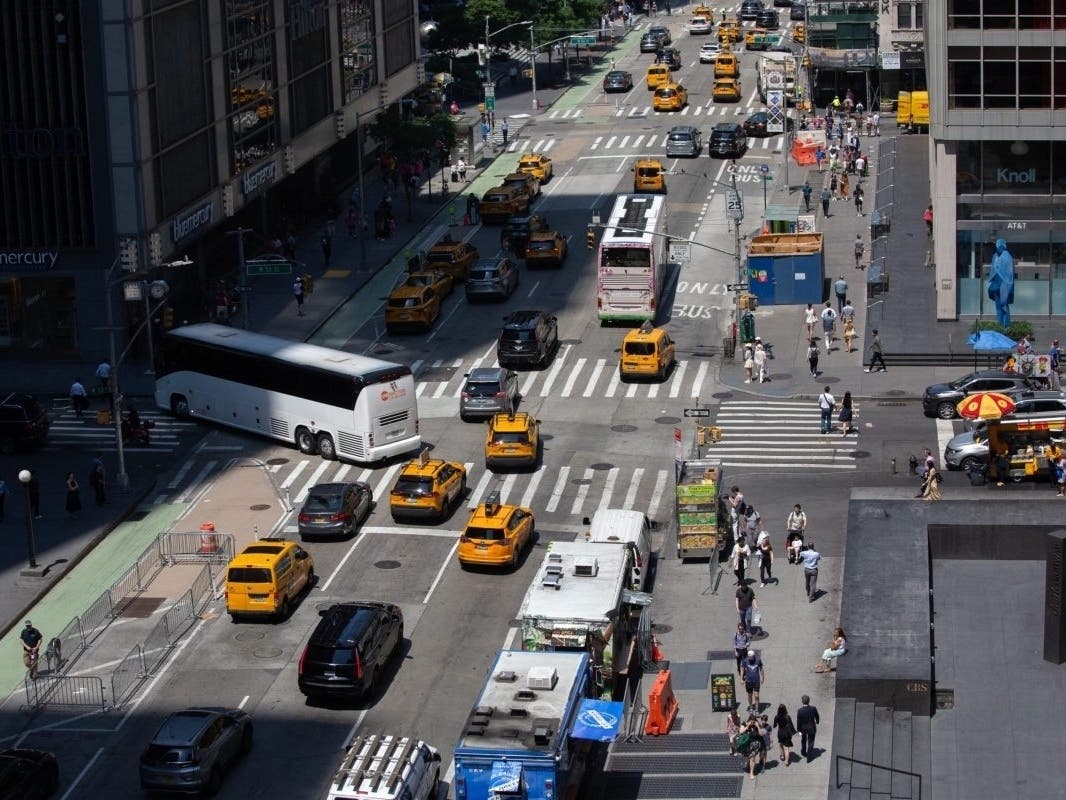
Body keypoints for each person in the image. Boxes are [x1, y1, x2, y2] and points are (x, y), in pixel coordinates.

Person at [796, 695, 820, 761]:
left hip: (803, 728)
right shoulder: (813, 708)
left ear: (802, 702)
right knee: (811, 742)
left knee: (803, 740)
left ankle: (803, 752)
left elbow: (799, 721)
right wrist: (817, 721)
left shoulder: (800, 710)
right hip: (811, 727)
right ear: (809, 701)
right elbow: (817, 716)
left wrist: (799, 730)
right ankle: (809, 757)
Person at [740, 650, 764, 714]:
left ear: (754, 656)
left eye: (752, 657)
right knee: (749, 695)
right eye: (749, 657)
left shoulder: (758, 660)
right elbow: (742, 669)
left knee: (756, 696)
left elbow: (761, 669)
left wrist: (762, 678)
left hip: (756, 680)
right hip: (748, 681)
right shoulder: (745, 661)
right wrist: (741, 679)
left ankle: (756, 709)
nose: (750, 658)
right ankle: (751, 707)